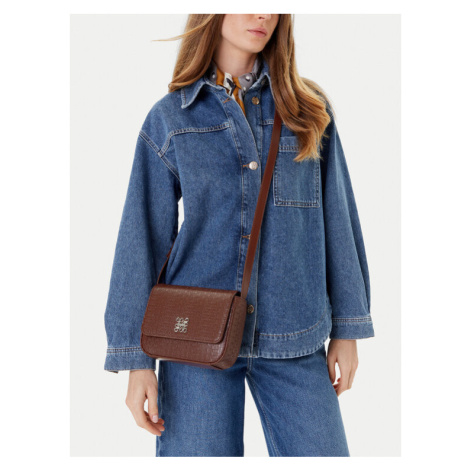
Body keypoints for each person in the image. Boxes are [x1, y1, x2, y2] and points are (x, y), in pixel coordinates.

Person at [104, 14, 375, 457]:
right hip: (195, 340)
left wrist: (348, 328)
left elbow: (338, 218)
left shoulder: (308, 108)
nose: (263, 13)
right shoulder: (171, 118)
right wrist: (137, 359)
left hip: (295, 332)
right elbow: (141, 239)